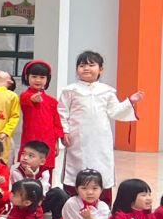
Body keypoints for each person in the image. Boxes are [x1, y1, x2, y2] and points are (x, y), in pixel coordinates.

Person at [58, 50, 141, 197]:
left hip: (101, 140)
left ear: (101, 69)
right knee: (76, 167)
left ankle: (102, 203)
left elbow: (115, 111)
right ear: (77, 70)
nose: (86, 68)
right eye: (82, 65)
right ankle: (73, 202)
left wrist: (130, 102)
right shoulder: (70, 90)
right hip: (77, 139)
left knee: (102, 167)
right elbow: (62, 112)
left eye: (91, 65)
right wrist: (64, 131)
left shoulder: (107, 91)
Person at [18, 60, 65, 180]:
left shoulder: (52, 101)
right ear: (27, 77)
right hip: (30, 140)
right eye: (34, 76)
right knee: (26, 172)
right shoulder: (24, 96)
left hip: (48, 142)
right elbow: (27, 99)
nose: (38, 80)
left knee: (46, 175)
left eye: (42, 77)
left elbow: (56, 123)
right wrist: (33, 99)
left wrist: (56, 142)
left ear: (47, 79)